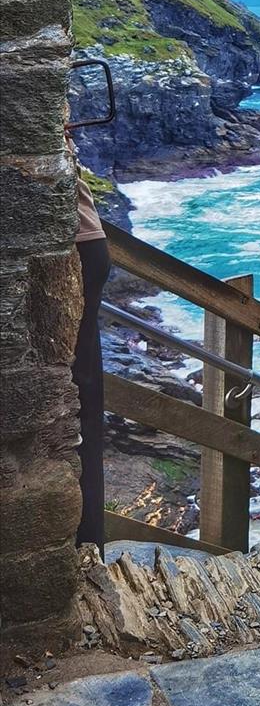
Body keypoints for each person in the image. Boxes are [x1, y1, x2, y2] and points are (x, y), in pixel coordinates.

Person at [67, 133, 111, 554]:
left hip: (80, 249)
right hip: (87, 245)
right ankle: (88, 541)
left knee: (80, 403)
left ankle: (86, 543)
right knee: (83, 400)